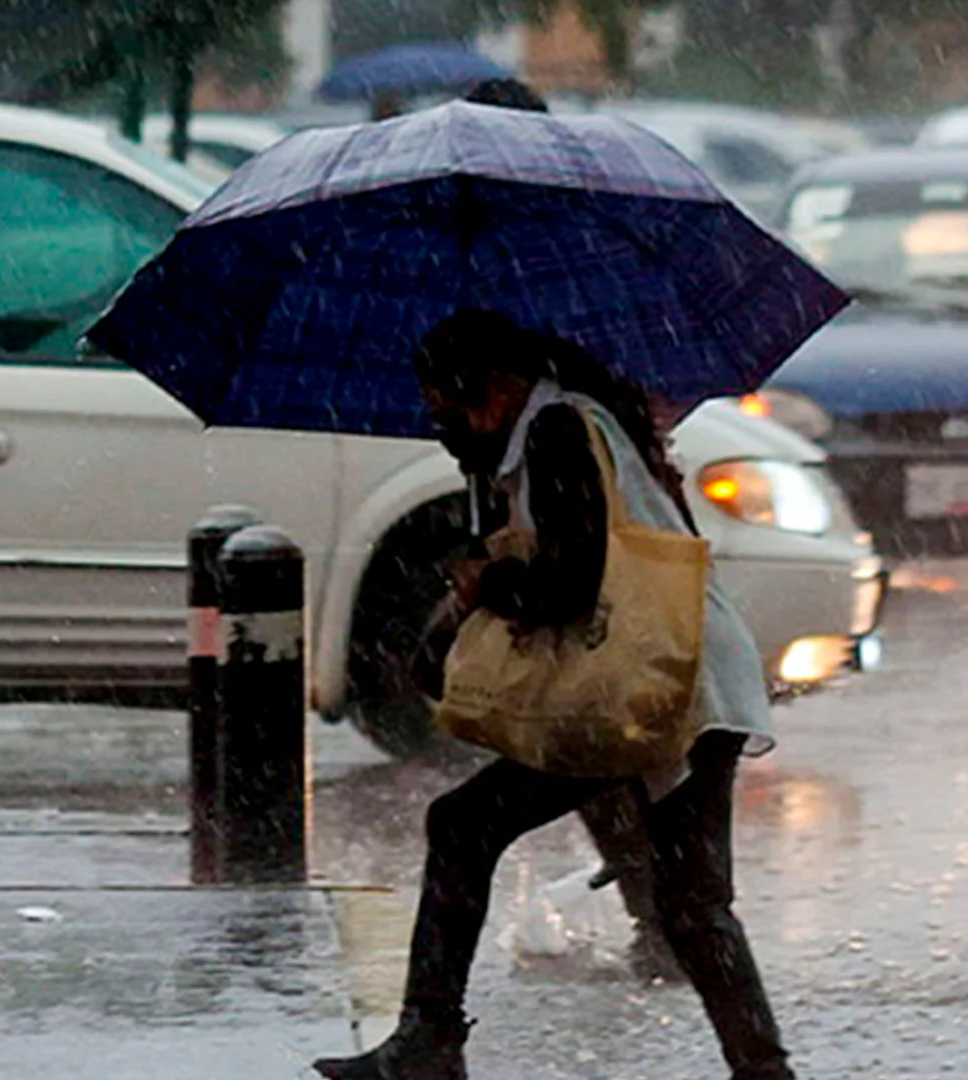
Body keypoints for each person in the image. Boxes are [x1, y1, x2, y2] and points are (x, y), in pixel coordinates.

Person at [312, 310, 796, 1080]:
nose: (447, 424)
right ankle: (764, 1072)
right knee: (691, 899)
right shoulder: (579, 425)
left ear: (496, 387)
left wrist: (490, 582)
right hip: (683, 678)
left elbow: (570, 583)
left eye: (451, 406)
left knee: (471, 827)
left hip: (658, 686)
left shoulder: (560, 431)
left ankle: (429, 1041)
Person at [455, 73, 684, 984]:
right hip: (583, 492)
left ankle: (675, 918)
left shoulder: (562, 258)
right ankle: (674, 918)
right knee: (600, 715)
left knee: (610, 712)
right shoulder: (542, 253)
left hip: (582, 497)